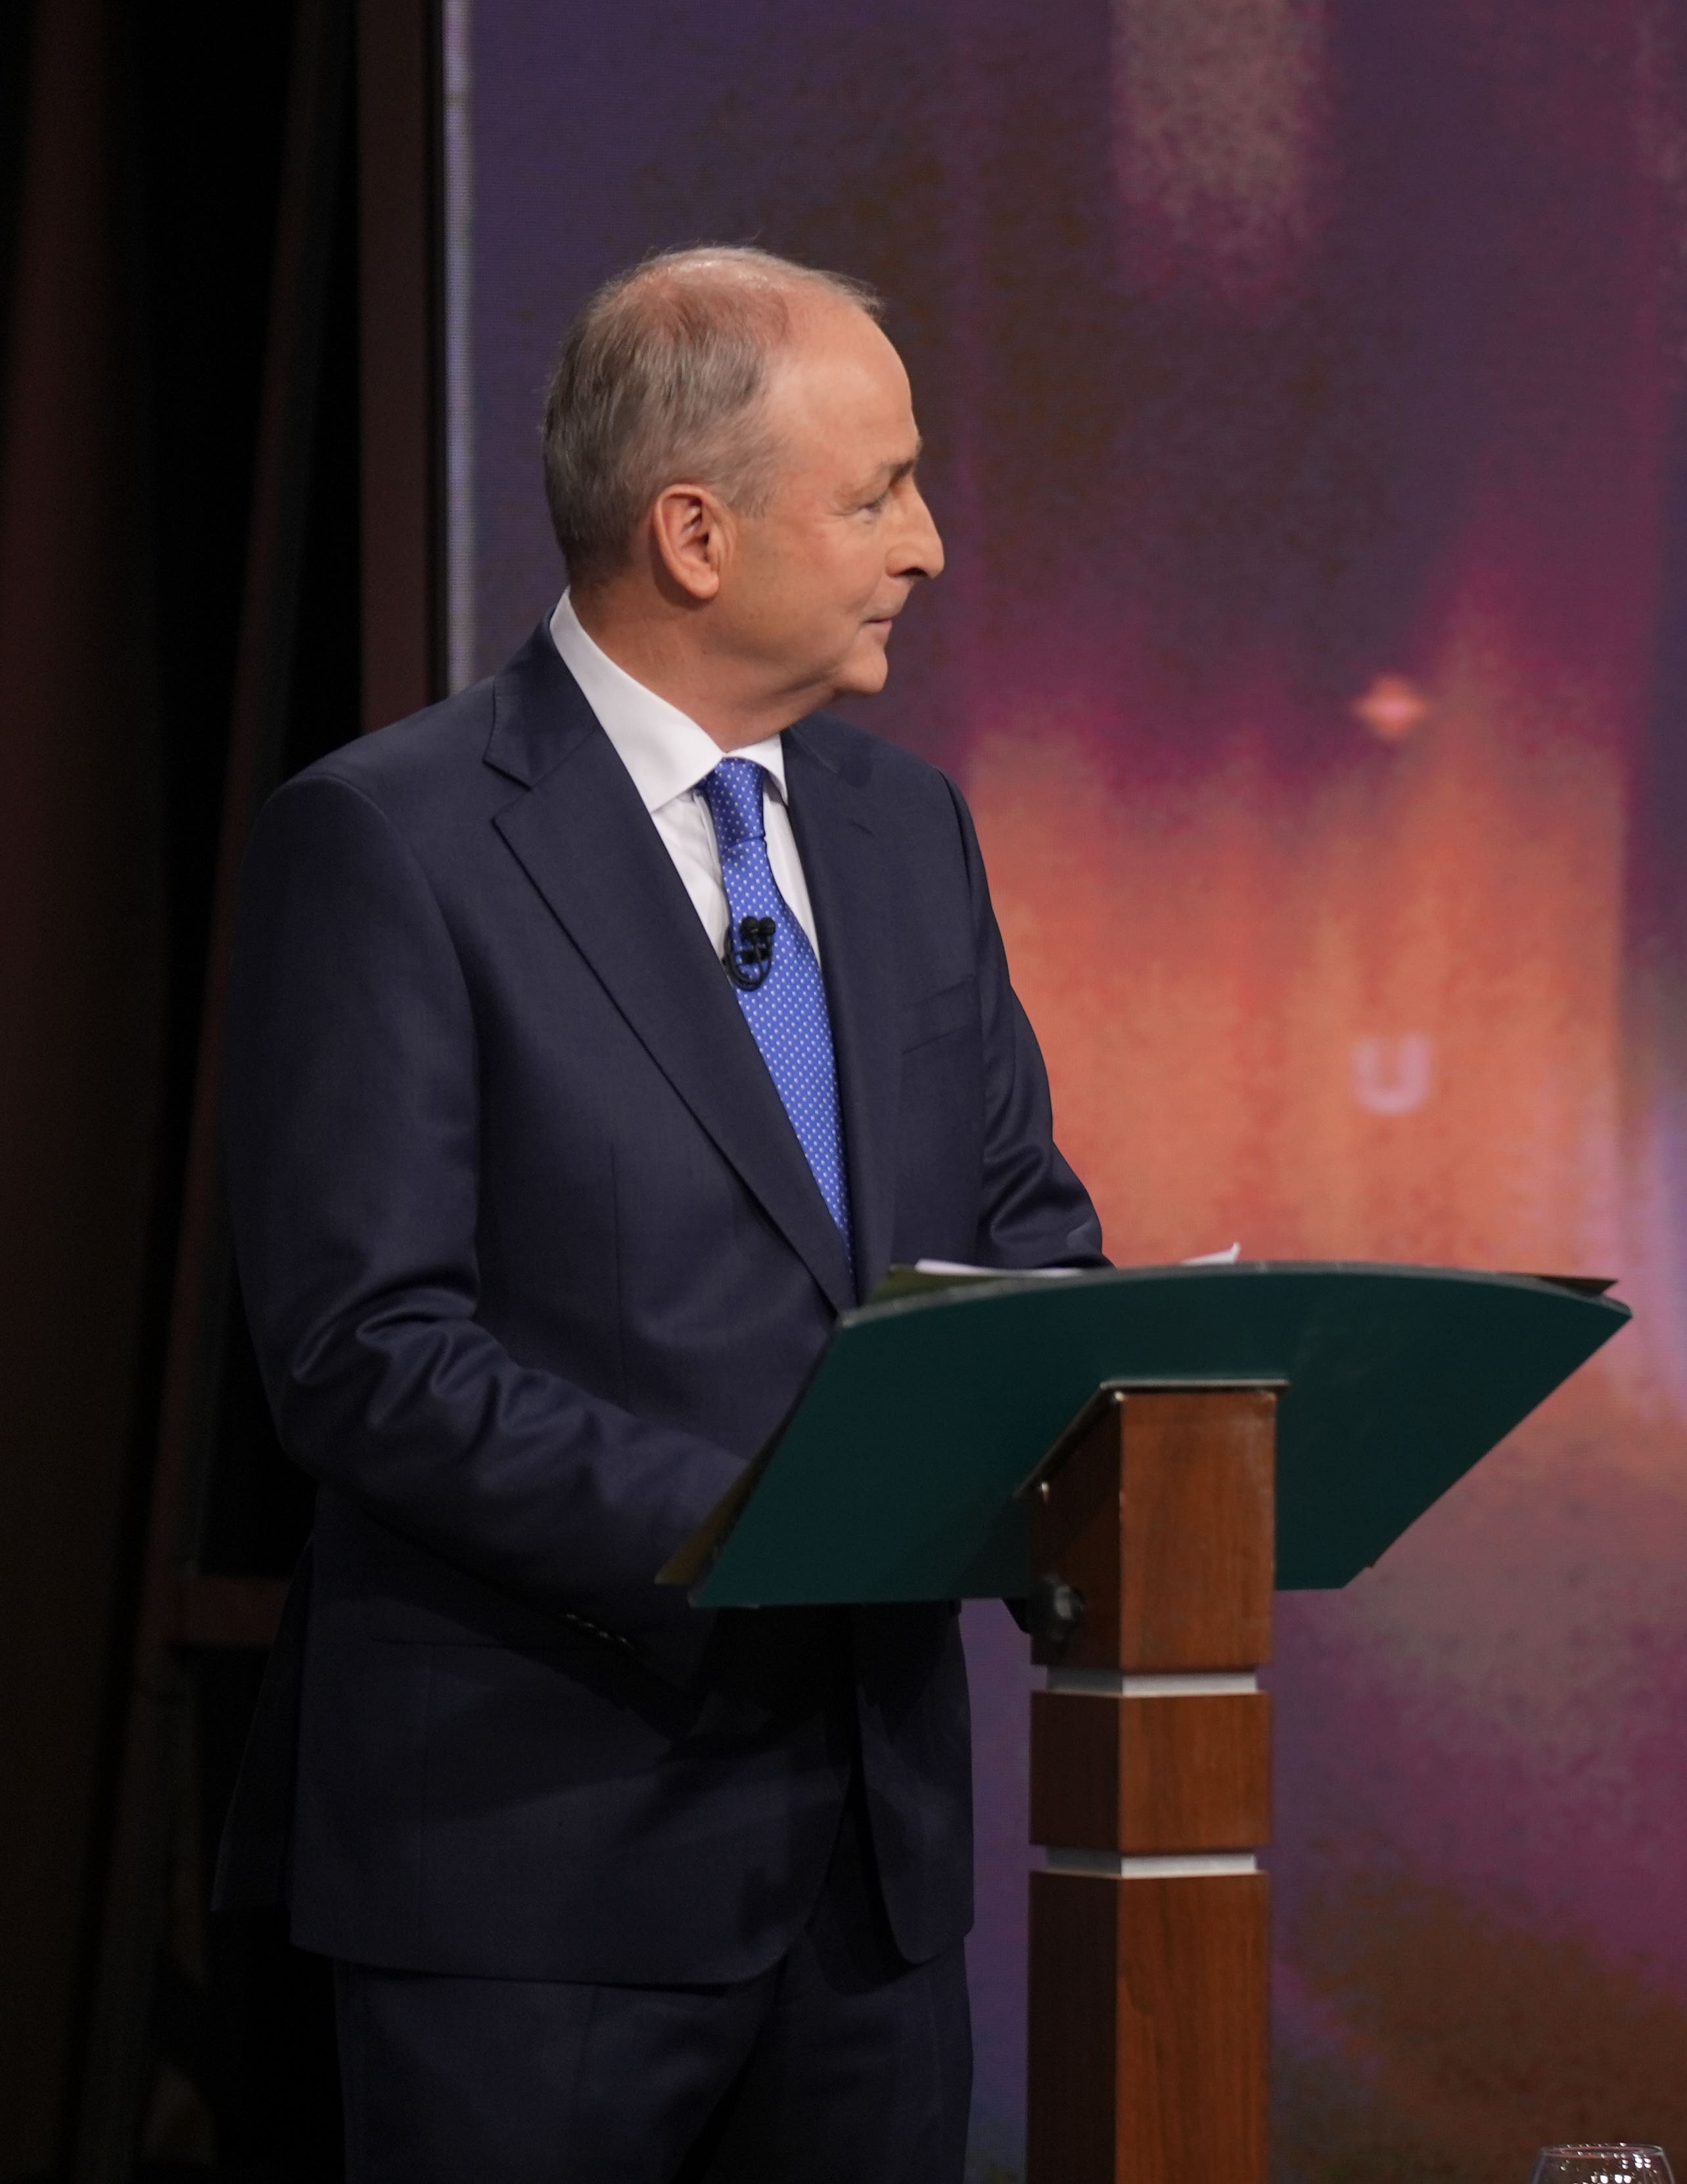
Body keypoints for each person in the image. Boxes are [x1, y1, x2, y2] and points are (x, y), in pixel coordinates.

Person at [218, 246, 1105, 2182]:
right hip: (535, 1884)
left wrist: (1116, 1403)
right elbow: (367, 1349)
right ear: (693, 533)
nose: (931, 543)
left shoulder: (904, 829)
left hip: (869, 1889)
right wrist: (751, 1536)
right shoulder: (390, 841)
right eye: (878, 492)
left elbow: (1024, 1234)